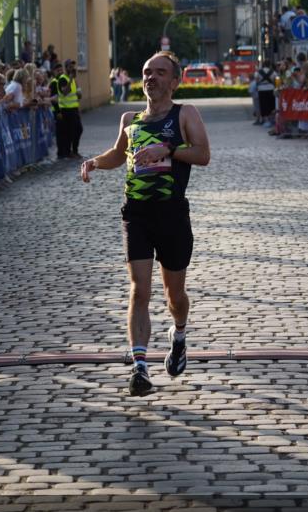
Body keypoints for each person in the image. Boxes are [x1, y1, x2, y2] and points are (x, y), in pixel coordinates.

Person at [80, 51, 211, 397]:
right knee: (139, 289)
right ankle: (139, 367)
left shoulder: (186, 114)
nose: (150, 77)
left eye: (159, 72)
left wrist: (165, 150)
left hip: (172, 214)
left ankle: (178, 334)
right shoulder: (129, 118)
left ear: (175, 80)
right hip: (135, 213)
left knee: (174, 295)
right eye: (146, 72)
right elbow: (116, 153)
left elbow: (202, 154)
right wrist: (95, 161)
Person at [61, 59, 84, 159]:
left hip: (74, 109)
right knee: (70, 132)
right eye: (70, 67)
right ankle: (68, 151)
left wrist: (79, 93)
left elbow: (78, 96)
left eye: (73, 67)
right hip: (66, 110)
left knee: (78, 129)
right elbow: (65, 92)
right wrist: (70, 79)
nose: (72, 69)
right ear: (66, 68)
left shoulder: (74, 80)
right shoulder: (63, 78)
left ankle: (74, 150)